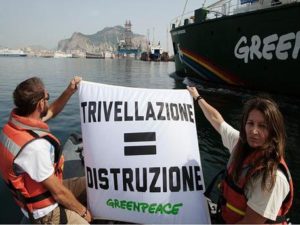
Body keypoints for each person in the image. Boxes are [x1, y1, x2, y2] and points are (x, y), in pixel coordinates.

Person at [187, 86, 293, 224]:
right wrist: (197, 96)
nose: (254, 131)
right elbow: (217, 120)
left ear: (273, 132)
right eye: (250, 123)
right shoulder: (240, 144)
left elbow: (251, 223)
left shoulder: (272, 177)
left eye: (262, 126)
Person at [0, 76, 92, 224]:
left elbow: (52, 111)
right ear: (40, 104)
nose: (48, 100)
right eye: (47, 97)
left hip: (47, 189)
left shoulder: (16, 125)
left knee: (94, 183)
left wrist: (69, 91)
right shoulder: (34, 148)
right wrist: (83, 211)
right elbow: (59, 193)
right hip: (46, 213)